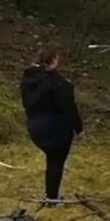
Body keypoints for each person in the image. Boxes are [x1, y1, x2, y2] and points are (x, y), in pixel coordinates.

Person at [20, 50, 83, 205]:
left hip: (34, 126)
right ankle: (52, 197)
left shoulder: (28, 81)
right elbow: (68, 107)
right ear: (54, 61)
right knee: (56, 161)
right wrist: (78, 127)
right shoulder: (59, 83)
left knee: (52, 158)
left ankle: (51, 195)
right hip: (56, 127)